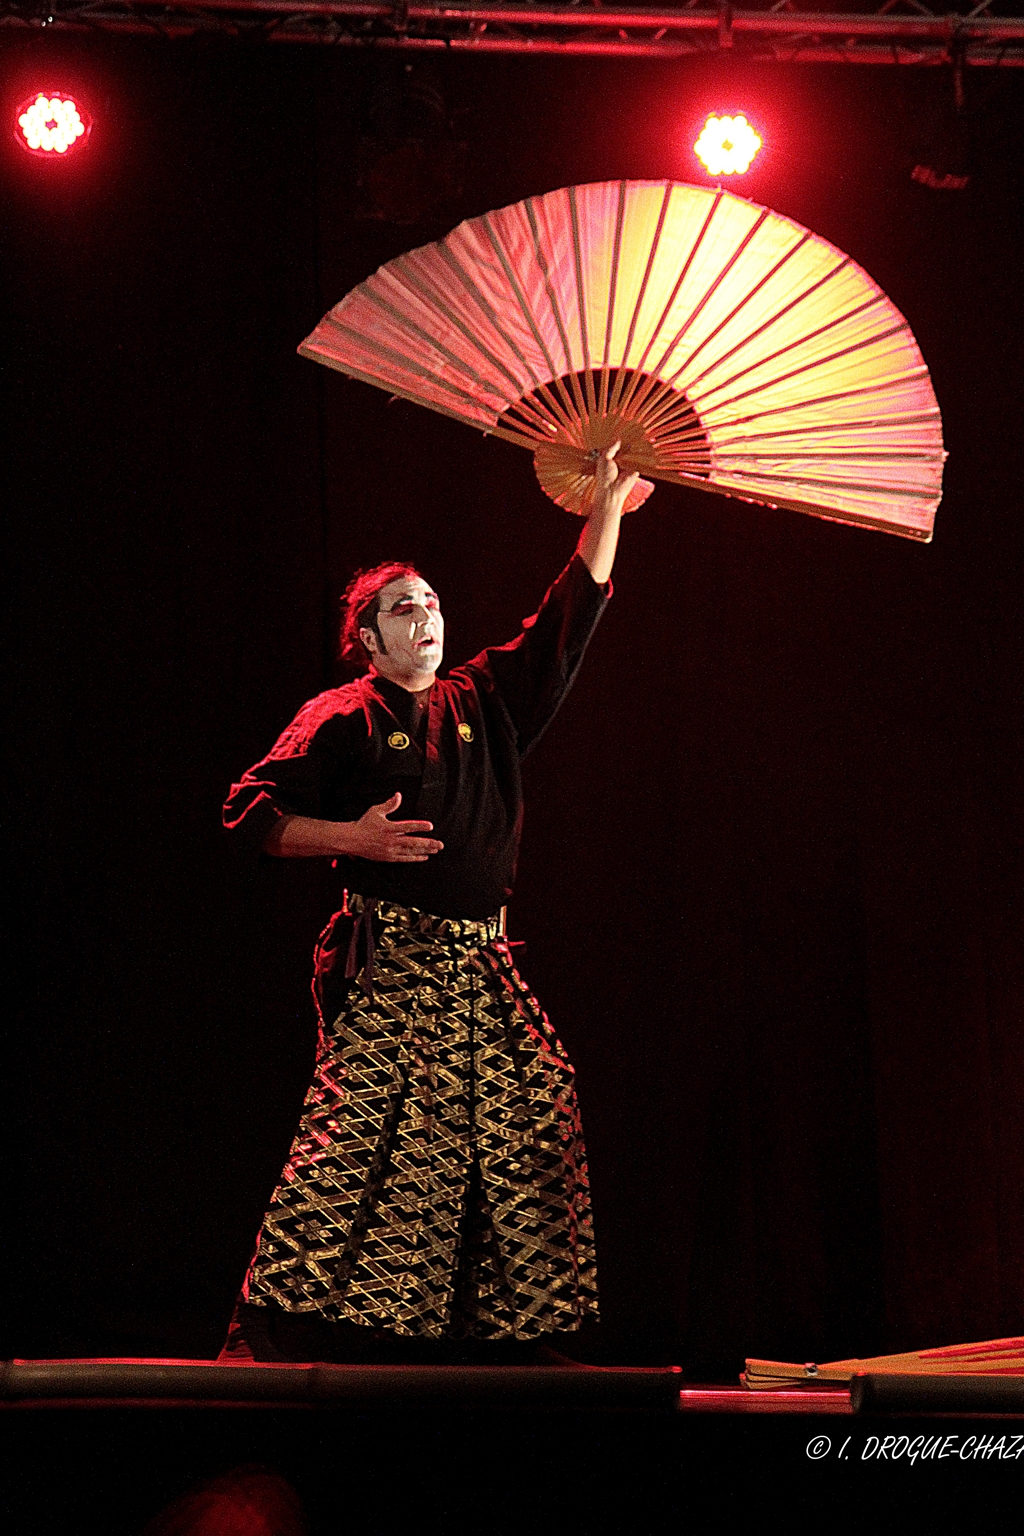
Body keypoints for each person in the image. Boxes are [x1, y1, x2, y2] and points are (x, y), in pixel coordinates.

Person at [219, 447, 641, 1364]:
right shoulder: (342, 715)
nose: (427, 619)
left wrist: (606, 502)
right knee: (373, 1139)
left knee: (531, 1107)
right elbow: (247, 813)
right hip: (390, 957)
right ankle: (273, 1336)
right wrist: (353, 840)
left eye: (434, 605)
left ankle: (516, 1338)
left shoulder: (485, 699)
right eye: (403, 609)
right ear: (366, 637)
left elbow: (564, 622)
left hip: (479, 959)